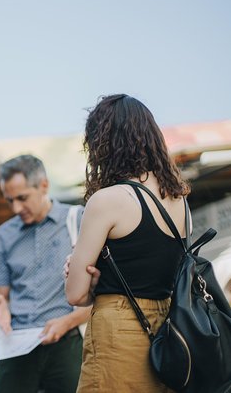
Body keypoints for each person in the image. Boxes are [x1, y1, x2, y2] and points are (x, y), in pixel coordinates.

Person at [65, 94, 190, 392]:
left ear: (103, 144)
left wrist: (81, 275)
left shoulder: (107, 201)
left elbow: (75, 294)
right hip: (167, 331)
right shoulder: (179, 200)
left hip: (118, 332)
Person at [0, 154, 90, 393]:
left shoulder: (79, 221)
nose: (16, 208)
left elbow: (100, 292)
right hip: (17, 344)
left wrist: (67, 323)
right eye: (9, 200)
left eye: (22, 198)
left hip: (66, 343)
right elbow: (1, 295)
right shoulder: (3, 236)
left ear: (43, 185)